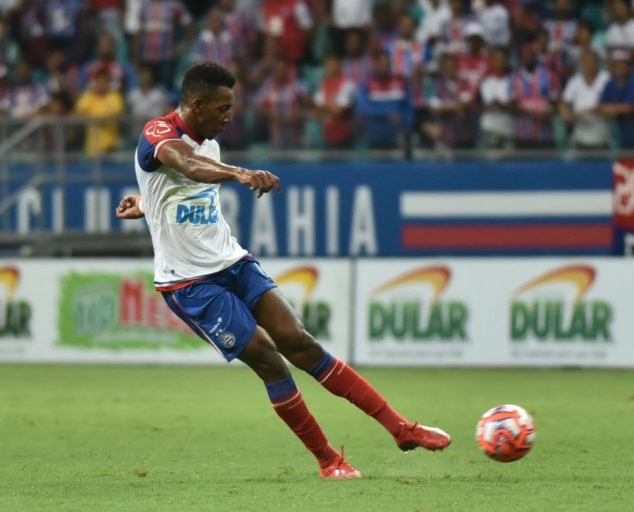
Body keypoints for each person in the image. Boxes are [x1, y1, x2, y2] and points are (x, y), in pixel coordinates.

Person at [115, 61, 451, 480]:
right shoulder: (158, 133)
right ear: (196, 105)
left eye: (230, 107)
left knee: (300, 342)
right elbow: (184, 164)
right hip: (190, 283)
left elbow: (178, 190)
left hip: (233, 262)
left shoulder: (210, 143)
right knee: (271, 362)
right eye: (221, 108)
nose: (229, 116)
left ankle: (400, 428)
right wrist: (239, 173)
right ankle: (330, 461)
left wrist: (146, 204)